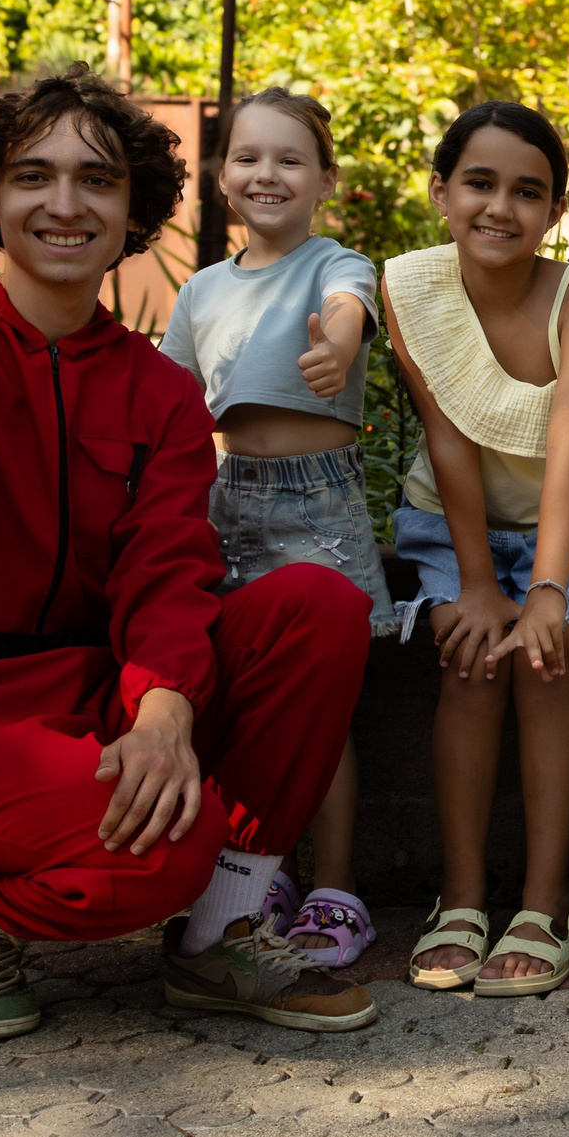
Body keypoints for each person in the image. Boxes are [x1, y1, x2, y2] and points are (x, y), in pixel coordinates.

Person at [0, 73, 375, 1040]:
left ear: (132, 206)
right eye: (32, 176)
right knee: (163, 854)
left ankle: (217, 939)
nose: (63, 203)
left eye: (95, 180)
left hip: (94, 700)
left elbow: (169, 570)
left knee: (320, 604)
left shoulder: (160, 392)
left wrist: (165, 711)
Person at [386, 103, 569, 998]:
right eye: (480, 183)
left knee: (546, 659)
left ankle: (545, 899)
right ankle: (459, 897)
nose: (501, 207)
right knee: (469, 661)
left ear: (555, 210)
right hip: (454, 519)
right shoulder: (410, 286)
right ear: (441, 192)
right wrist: (483, 586)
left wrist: (546, 594)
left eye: (527, 191)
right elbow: (447, 440)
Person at [160, 87, 391, 968]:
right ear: (223, 176)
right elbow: (171, 399)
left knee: (323, 711)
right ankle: (264, 873)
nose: (268, 173)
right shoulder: (201, 289)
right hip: (224, 501)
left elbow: (349, 310)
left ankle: (335, 890)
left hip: (316, 507)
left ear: (324, 180)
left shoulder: (338, 264)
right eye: (249, 156)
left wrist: (337, 345)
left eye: (291, 159)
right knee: (248, 701)